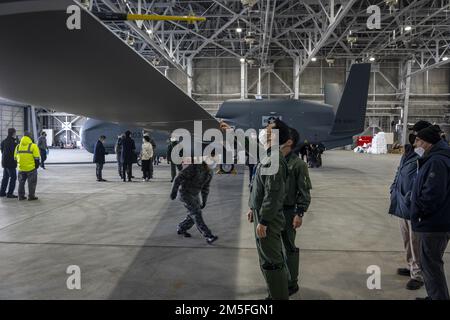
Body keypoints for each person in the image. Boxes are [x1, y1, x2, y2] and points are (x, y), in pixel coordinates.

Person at [247, 119, 290, 300]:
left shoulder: (274, 160)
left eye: (268, 130)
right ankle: (274, 294)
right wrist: (252, 207)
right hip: (261, 213)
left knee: (273, 262)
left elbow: (272, 195)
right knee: (266, 259)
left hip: (268, 219)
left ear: (275, 136)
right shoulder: (268, 155)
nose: (265, 131)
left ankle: (279, 296)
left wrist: (264, 221)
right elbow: (260, 187)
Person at [389, 120, 431, 290]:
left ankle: (418, 275)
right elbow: (400, 172)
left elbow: (421, 180)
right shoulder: (409, 151)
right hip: (401, 203)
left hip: (411, 205)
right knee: (407, 240)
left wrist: (408, 198)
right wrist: (393, 189)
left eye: (418, 134)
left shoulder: (424, 154)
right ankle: (411, 266)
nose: (414, 137)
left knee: (415, 242)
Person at [410, 125, 450, 300]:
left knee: (431, 266)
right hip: (438, 221)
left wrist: (419, 212)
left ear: (427, 143)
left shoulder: (436, 161)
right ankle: (434, 296)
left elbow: (432, 194)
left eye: (418, 140)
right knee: (432, 264)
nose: (415, 144)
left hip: (434, 224)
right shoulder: (437, 157)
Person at [281, 127, 312, 296]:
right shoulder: (272, 161)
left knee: (289, 248)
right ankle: (278, 280)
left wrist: (299, 213)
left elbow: (304, 191)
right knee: (275, 249)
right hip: (272, 212)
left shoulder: (298, 164)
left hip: (288, 212)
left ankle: (292, 282)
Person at [170, 161, 218, 245]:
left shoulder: (210, 172)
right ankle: (208, 236)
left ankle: (181, 227)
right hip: (185, 192)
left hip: (195, 194)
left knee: (193, 215)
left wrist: (204, 200)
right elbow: (178, 178)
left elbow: (205, 188)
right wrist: (173, 192)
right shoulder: (194, 167)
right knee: (196, 213)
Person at [14, 132, 40, 201]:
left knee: (21, 183)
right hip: (31, 168)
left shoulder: (18, 146)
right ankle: (31, 196)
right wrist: (36, 167)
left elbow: (15, 158)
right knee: (32, 183)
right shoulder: (33, 146)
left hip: (21, 168)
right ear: (30, 137)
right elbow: (37, 158)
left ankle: (21, 196)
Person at [0, 128, 18, 198]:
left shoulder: (4, 141)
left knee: (5, 177)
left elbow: (2, 151)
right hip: (11, 163)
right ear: (13, 133)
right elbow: (15, 153)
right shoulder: (13, 143)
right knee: (13, 178)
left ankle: (2, 192)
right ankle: (10, 193)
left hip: (4, 162)